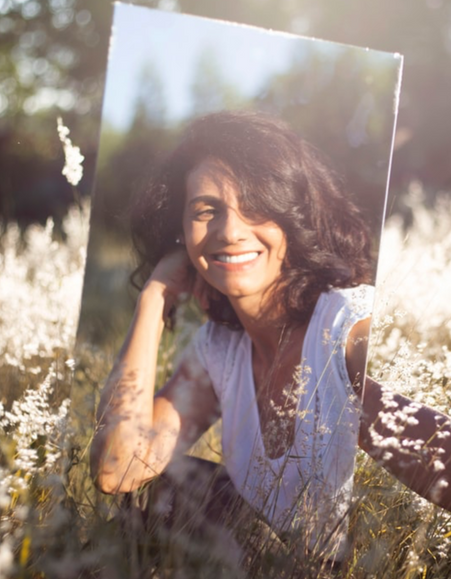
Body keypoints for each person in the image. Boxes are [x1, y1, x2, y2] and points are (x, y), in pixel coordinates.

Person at [90, 111, 378, 567]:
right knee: (165, 494)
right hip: (262, 566)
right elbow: (118, 468)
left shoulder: (351, 326)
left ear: (294, 216)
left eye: (257, 204)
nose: (230, 231)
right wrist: (154, 296)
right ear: (181, 234)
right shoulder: (220, 350)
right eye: (206, 210)